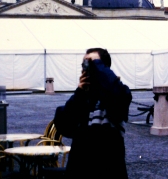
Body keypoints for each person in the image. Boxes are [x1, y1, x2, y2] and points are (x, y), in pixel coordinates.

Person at [54, 48, 132, 178]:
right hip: (80, 168)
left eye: (92, 63)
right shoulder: (82, 97)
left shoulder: (117, 92)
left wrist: (99, 68)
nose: (87, 67)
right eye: (84, 64)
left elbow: (120, 98)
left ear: (103, 67)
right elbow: (64, 126)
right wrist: (80, 93)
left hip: (110, 169)